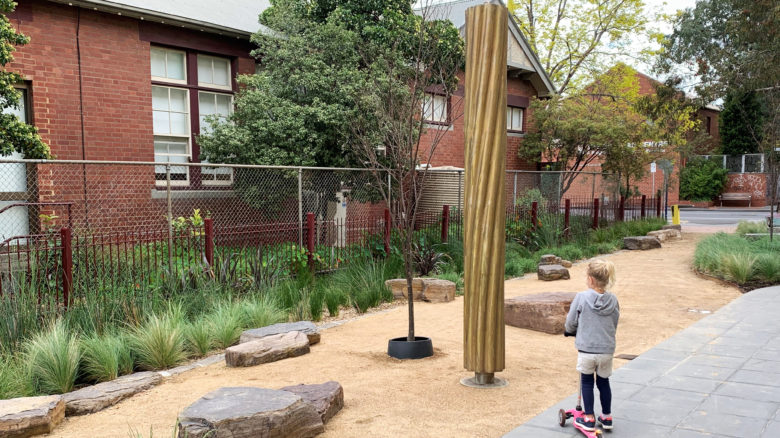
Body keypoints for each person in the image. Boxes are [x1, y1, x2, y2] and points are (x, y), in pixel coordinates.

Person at [564, 259, 619, 431]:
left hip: (587, 349)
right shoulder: (613, 300)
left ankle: (588, 418)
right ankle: (607, 416)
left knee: (587, 382)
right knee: (604, 382)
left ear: (591, 279)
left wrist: (570, 330)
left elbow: (571, 321)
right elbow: (614, 322)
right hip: (606, 350)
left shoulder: (581, 297)